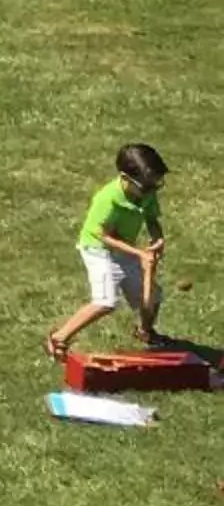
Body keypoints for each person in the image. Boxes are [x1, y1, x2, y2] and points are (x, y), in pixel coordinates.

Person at [48, 142, 171, 357]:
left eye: (155, 185)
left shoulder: (146, 192)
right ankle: (58, 338)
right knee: (105, 302)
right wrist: (140, 254)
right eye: (146, 187)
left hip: (124, 249)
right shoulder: (108, 199)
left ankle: (145, 331)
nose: (151, 191)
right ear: (125, 178)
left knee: (154, 297)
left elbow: (151, 219)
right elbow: (103, 235)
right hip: (99, 250)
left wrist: (158, 237)